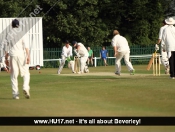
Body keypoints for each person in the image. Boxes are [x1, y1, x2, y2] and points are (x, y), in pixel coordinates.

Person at [4, 19, 30, 99]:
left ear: (12, 25)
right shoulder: (22, 33)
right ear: (18, 25)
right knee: (26, 73)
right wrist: (28, 56)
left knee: (13, 75)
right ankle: (25, 87)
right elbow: (26, 46)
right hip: (21, 55)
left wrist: (6, 58)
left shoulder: (9, 34)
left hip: (12, 55)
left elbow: (6, 47)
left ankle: (15, 94)